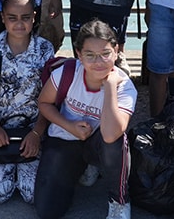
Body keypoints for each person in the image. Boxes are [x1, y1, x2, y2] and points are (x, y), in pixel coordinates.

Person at [33, 19, 137, 219]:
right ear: (79, 54)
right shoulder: (67, 73)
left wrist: (109, 89)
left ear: (116, 51)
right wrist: (69, 126)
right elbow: (44, 104)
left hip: (99, 143)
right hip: (65, 137)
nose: (98, 62)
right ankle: (82, 168)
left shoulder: (124, 86)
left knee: (116, 142)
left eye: (105, 54)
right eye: (90, 55)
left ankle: (119, 201)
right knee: (48, 211)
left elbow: (111, 134)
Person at [0, 0, 55, 205]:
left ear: (34, 17)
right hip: (0, 132)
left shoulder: (44, 49)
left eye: (26, 18)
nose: (19, 24)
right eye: (12, 18)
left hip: (32, 131)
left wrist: (37, 133)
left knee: (33, 194)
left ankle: (30, 163)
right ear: (2, 18)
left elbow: (51, 98)